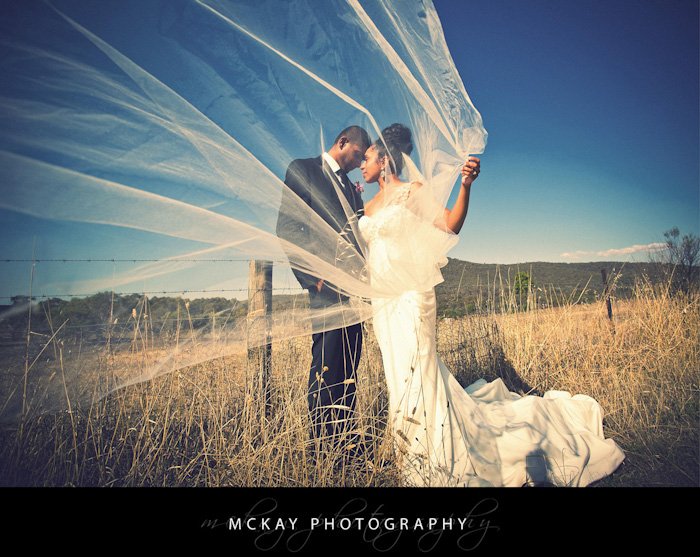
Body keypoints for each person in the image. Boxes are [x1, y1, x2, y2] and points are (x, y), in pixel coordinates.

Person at [358, 123, 625, 486]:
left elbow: (450, 225)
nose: (362, 163)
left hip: (410, 297)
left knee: (417, 369)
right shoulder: (368, 203)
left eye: (368, 157)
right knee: (397, 374)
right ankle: (407, 447)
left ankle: (434, 450)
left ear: (385, 160)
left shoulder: (411, 193)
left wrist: (466, 186)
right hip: (383, 302)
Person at [276, 125, 371, 460]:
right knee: (326, 367)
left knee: (349, 366)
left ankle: (345, 443)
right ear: (342, 142)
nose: (361, 162)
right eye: (359, 154)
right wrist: (313, 278)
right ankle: (321, 450)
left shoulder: (353, 188)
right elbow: (288, 227)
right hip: (325, 289)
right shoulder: (304, 169)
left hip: (355, 291)